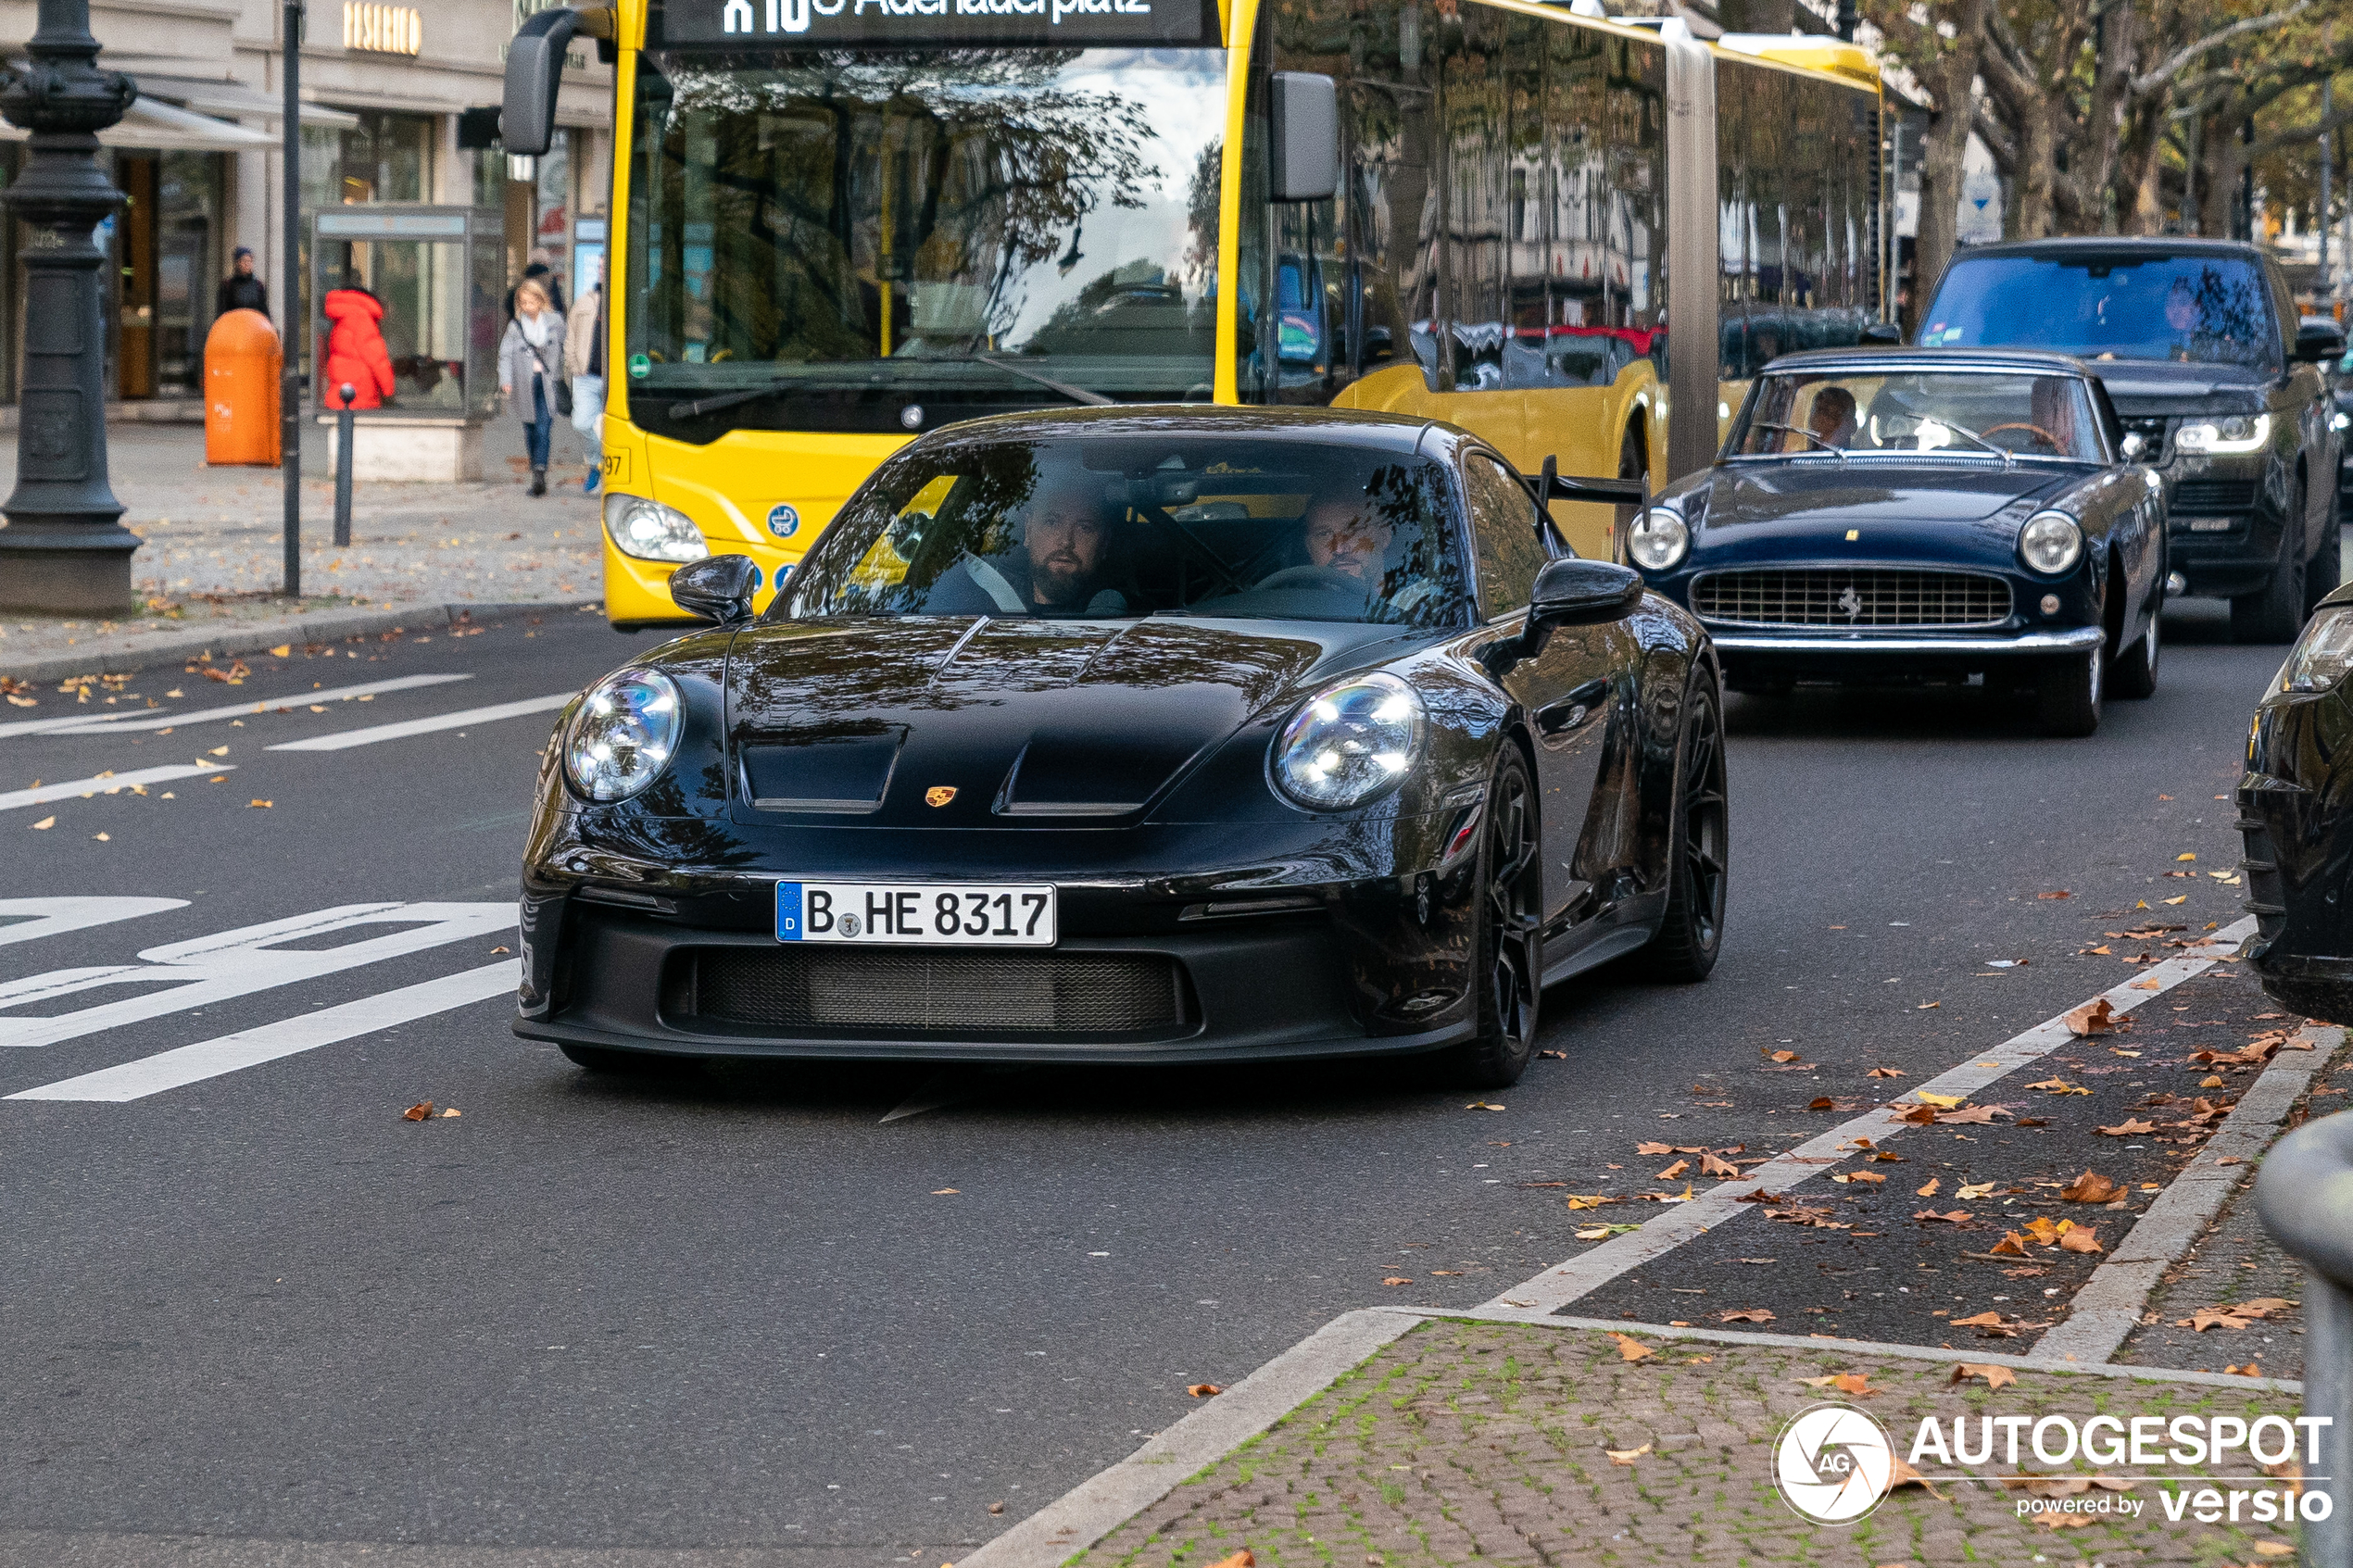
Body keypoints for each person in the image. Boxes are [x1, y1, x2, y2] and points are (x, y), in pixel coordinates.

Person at [927, 491, 1126, 615]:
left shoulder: (1140, 616)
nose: (1066, 541)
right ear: (1028, 530)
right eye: (1052, 522)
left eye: (1085, 527)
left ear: (1105, 542)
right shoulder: (966, 604)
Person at [499, 277, 568, 497]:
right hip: (524, 383)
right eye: (523, 303)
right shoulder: (515, 326)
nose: (527, 307)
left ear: (540, 300)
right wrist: (506, 380)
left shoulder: (555, 321)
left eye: (530, 302)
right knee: (530, 428)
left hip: (546, 382)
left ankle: (539, 473)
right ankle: (535, 466)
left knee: (544, 427)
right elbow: (506, 355)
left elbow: (566, 348)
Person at [321, 278, 396, 411]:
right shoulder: (361, 318)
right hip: (360, 396)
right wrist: (388, 391)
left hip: (342, 394)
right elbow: (377, 359)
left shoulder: (343, 318)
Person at [565, 256, 606, 495]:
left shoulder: (625, 300)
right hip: (587, 377)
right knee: (581, 423)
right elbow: (571, 335)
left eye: (605, 266)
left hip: (615, 381)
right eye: (599, 267)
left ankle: (610, 471)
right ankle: (596, 463)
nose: (602, 270)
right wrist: (573, 364)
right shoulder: (585, 302)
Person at [215, 246, 268, 321]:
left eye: (250, 261)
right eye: (244, 261)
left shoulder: (258, 285)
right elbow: (221, 312)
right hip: (234, 326)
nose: (247, 264)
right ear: (237, 263)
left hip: (254, 327)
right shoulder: (227, 285)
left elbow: (264, 310)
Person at [1806, 385, 1858, 451]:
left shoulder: (1863, 460)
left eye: (1835, 415)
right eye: (1820, 411)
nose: (1825, 419)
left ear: (1852, 425)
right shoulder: (1796, 458)